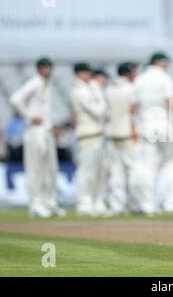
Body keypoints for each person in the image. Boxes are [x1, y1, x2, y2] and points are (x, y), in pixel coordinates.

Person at [9, 57, 65, 218]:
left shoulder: (47, 84)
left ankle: (50, 204)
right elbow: (15, 99)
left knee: (51, 169)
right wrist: (30, 116)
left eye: (50, 67)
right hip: (35, 131)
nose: (49, 70)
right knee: (36, 169)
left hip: (46, 130)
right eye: (46, 67)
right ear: (39, 69)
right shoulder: (34, 82)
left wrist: (52, 124)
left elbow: (45, 109)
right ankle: (35, 205)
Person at [134, 52, 173, 214]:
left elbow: (133, 107)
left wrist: (134, 126)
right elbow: (171, 101)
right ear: (160, 63)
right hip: (165, 126)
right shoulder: (164, 78)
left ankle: (149, 206)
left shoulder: (139, 80)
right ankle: (171, 204)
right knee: (171, 166)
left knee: (148, 166)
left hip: (147, 127)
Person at [70, 63, 109, 217]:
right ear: (79, 73)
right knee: (87, 172)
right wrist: (99, 95)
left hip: (97, 136)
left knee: (99, 172)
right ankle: (84, 204)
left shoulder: (88, 89)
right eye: (86, 72)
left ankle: (97, 202)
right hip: (87, 136)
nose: (89, 75)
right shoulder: (79, 91)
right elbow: (99, 111)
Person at [104, 62, 139, 215]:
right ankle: (135, 204)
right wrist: (134, 130)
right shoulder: (131, 89)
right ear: (128, 73)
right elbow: (133, 111)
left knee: (116, 172)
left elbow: (105, 113)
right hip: (127, 134)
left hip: (112, 135)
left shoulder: (109, 89)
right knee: (133, 170)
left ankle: (117, 206)